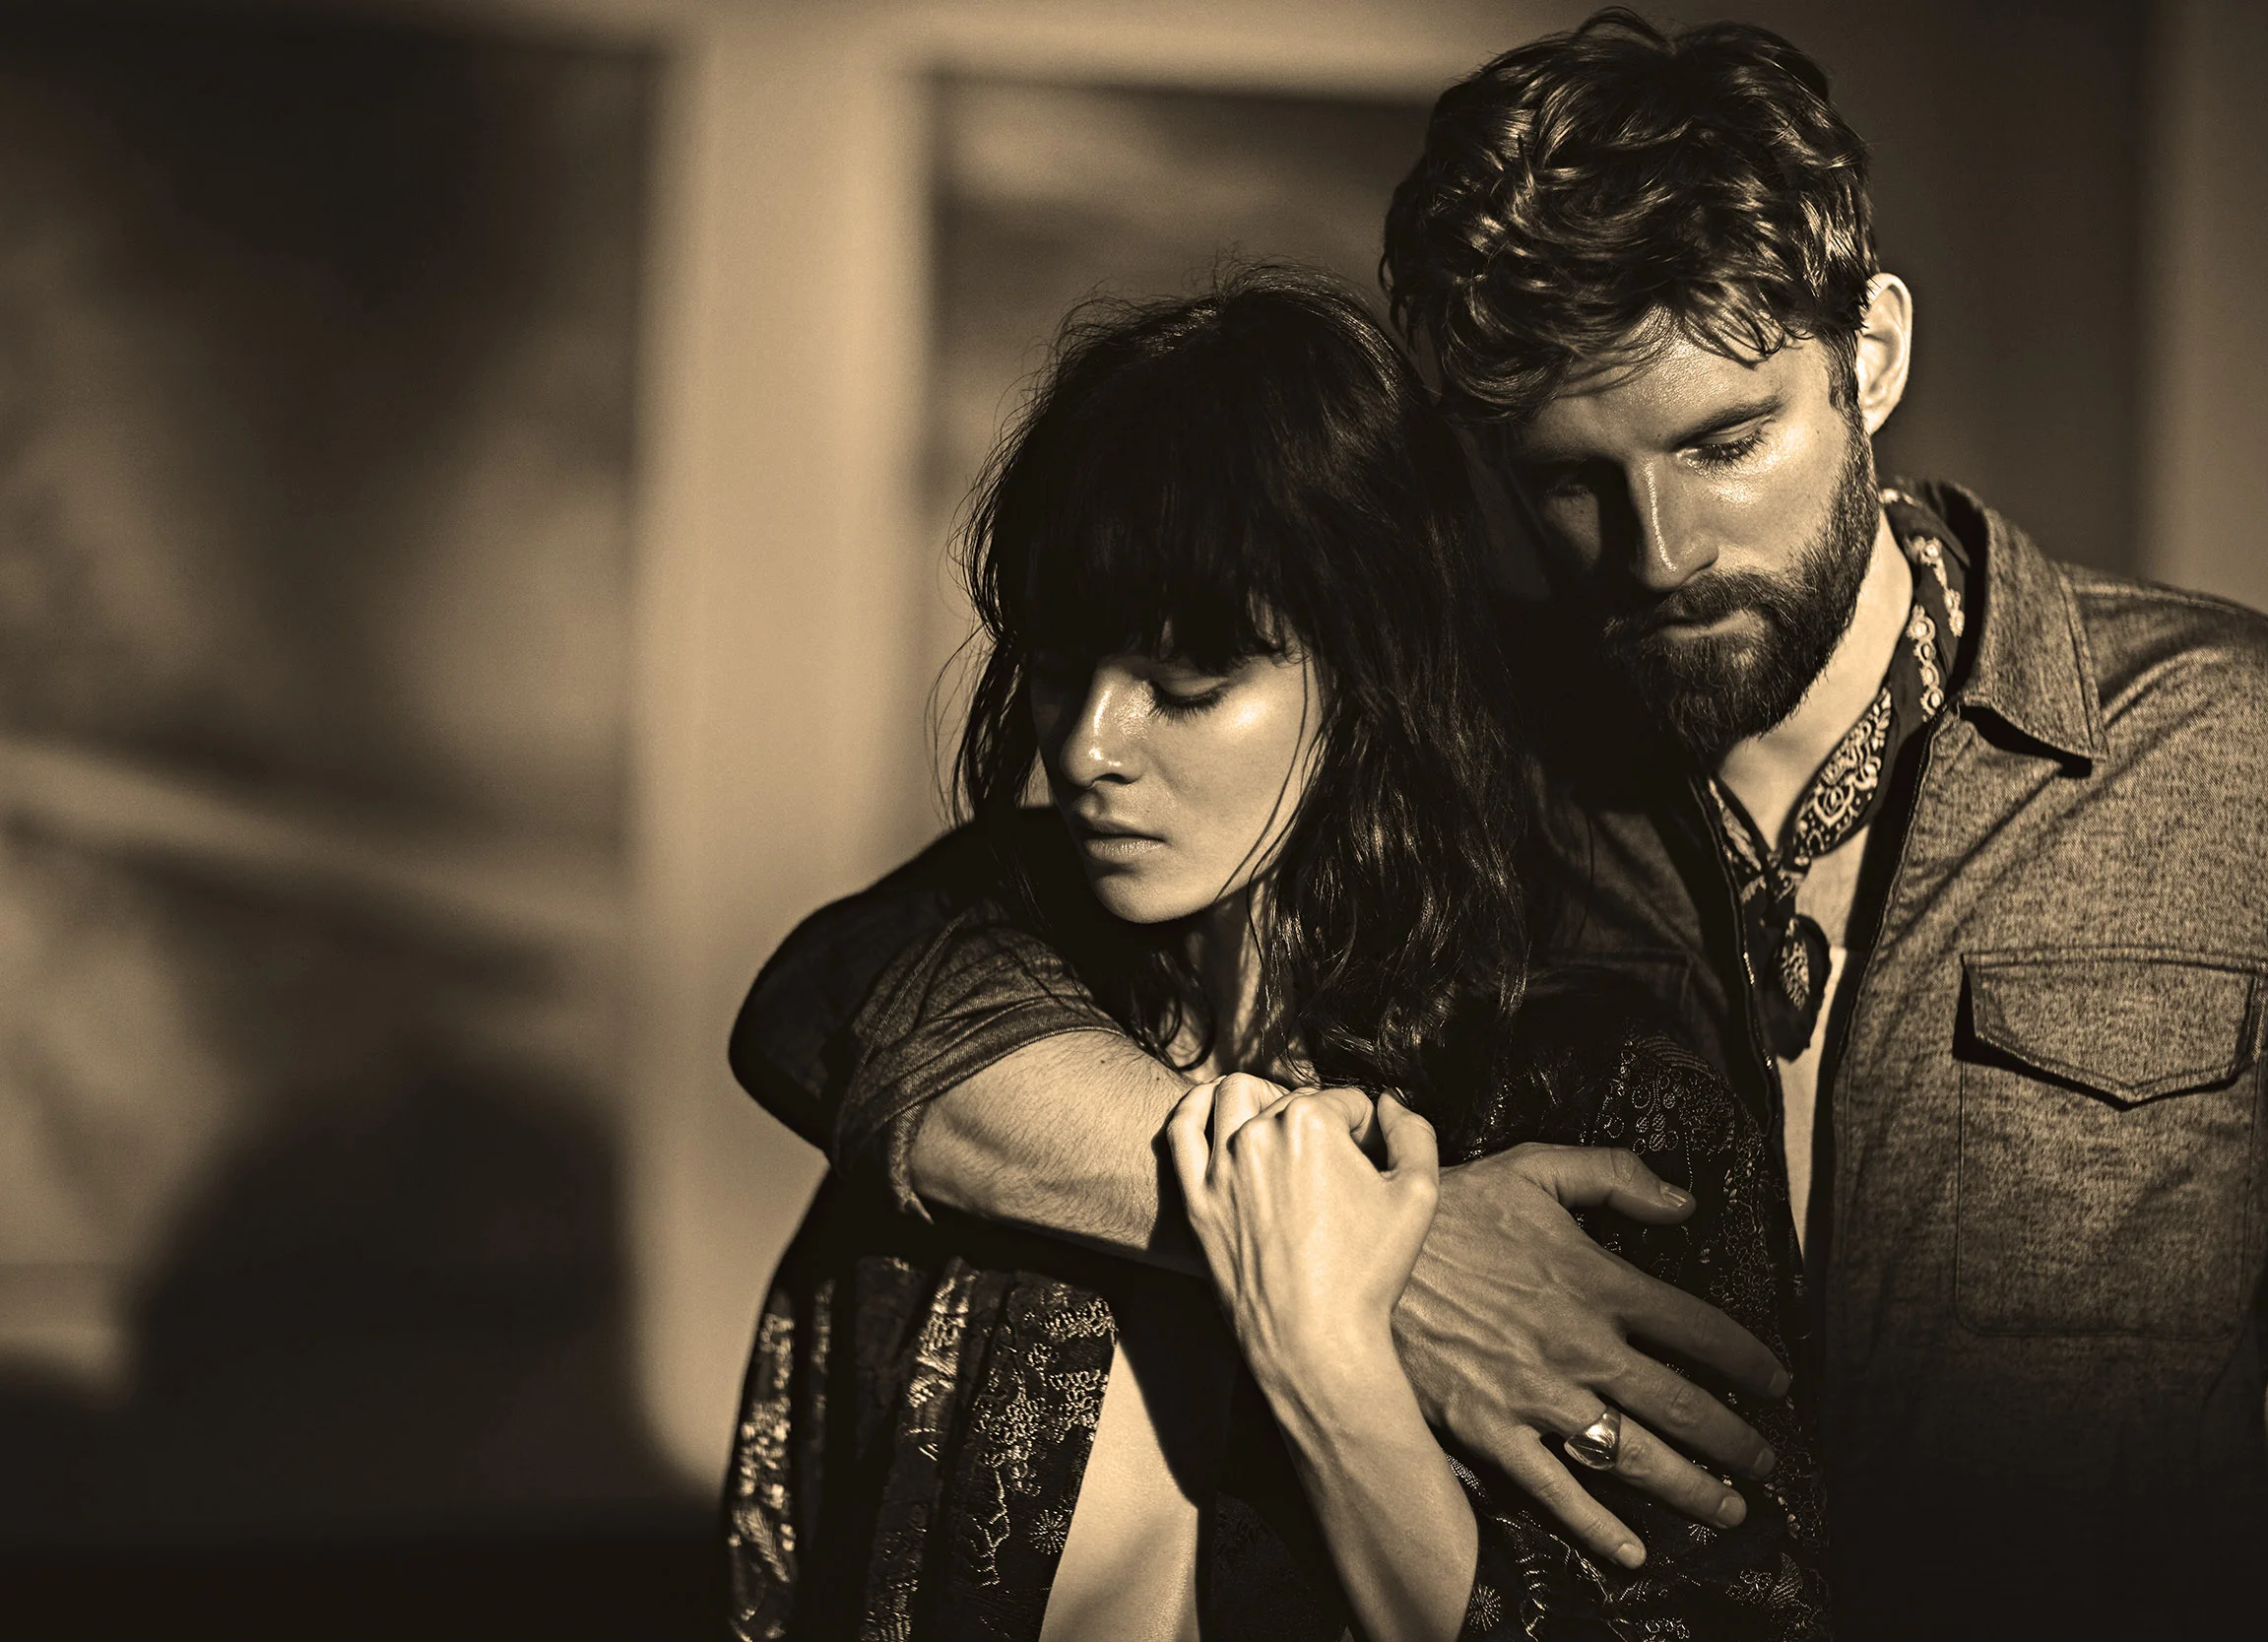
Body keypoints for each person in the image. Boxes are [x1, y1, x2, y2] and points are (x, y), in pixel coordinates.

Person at [733, 15, 2268, 1639]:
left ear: (1871, 355)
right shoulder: (1454, 750)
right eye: (1570, 479)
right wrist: (1365, 1246)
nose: (1658, 552)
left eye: (1727, 443)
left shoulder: (2233, 742)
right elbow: (860, 996)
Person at [727, 267, 1830, 1641]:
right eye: (1062, 666)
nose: (1086, 748)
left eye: (1188, 684)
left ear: (1371, 672)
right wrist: (1366, 1239)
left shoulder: (1610, 1116)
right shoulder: (981, 1022)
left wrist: (1332, 1355)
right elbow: (807, 1006)